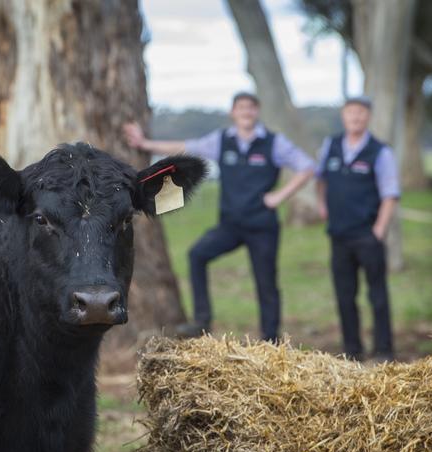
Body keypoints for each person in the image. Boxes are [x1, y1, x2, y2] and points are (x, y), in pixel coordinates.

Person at [123, 92, 314, 341]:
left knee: (266, 283)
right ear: (232, 113)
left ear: (257, 112)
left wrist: (279, 197)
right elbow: (186, 147)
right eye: (241, 107)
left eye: (251, 107)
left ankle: (271, 340)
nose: (246, 111)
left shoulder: (273, 143)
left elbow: (307, 167)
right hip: (231, 225)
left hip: (263, 226)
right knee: (197, 255)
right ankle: (202, 321)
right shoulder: (221, 141)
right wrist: (146, 144)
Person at [316, 96, 399, 362]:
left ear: (368, 117)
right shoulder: (330, 145)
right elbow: (320, 180)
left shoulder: (380, 151)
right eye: (351, 112)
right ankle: (352, 350)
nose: (356, 117)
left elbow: (390, 194)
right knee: (344, 295)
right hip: (339, 235)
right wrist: (321, 206)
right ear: (344, 115)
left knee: (377, 294)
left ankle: (384, 350)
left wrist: (379, 229)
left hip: (367, 235)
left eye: (361, 113)